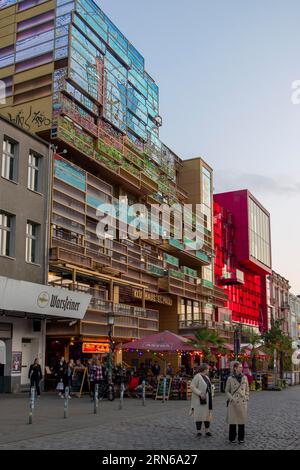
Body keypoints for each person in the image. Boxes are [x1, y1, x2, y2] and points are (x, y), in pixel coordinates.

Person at [225, 362, 250, 444]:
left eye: (241, 367)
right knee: (233, 421)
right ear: (235, 368)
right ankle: (232, 438)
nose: (241, 368)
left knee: (241, 421)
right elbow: (227, 391)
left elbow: (247, 389)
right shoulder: (230, 378)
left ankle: (241, 438)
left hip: (242, 402)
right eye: (239, 367)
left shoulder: (244, 377)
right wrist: (231, 399)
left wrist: (246, 397)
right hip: (233, 402)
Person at [190, 364, 213, 437]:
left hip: (207, 399)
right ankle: (199, 431)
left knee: (207, 415)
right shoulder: (197, 376)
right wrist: (200, 393)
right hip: (199, 400)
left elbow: (208, 387)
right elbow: (192, 386)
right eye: (208, 369)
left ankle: (207, 430)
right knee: (199, 415)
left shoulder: (207, 377)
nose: (209, 370)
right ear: (204, 369)